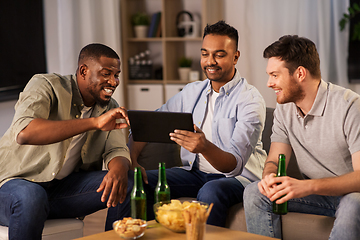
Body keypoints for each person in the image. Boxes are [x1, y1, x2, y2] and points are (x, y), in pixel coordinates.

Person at [123, 20, 267, 227]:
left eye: (219, 54)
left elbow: (234, 165)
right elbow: (149, 123)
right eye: (205, 54)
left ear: (236, 57)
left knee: (211, 190)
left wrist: (204, 147)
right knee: (137, 181)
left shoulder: (250, 100)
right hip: (195, 173)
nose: (210, 61)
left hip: (239, 179)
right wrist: (131, 159)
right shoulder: (191, 92)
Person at [0, 43, 133, 240]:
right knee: (32, 197)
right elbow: (25, 132)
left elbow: (117, 149)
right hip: (14, 186)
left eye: (116, 75)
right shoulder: (45, 85)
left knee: (126, 181)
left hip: (59, 192)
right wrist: (94, 123)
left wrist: (119, 169)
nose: (114, 82)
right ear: (83, 71)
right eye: (106, 74)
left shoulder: (109, 107)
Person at [243, 35, 360, 239]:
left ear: (299, 73)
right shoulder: (284, 110)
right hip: (320, 197)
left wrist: (306, 186)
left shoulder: (350, 107)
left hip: (353, 196)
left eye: (274, 75)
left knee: (353, 203)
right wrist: (269, 177)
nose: (269, 83)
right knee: (254, 193)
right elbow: (273, 160)